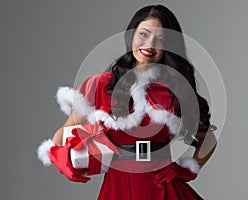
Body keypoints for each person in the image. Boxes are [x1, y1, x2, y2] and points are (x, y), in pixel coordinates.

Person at [37, 4, 217, 200]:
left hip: (162, 189)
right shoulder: (102, 85)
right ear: (131, 35)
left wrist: (184, 170)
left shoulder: (176, 90)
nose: (149, 44)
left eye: (160, 39)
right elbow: (61, 135)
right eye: (144, 34)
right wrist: (68, 159)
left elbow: (209, 140)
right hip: (117, 188)